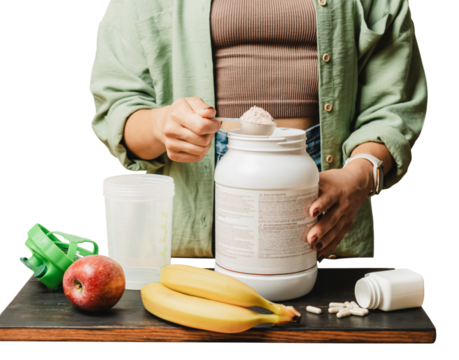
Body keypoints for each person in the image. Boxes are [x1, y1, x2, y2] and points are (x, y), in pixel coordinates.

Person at [89, 0, 427, 263]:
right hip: (192, 230)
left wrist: (358, 176)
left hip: (327, 219)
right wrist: (162, 126)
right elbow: (118, 108)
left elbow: (392, 107)